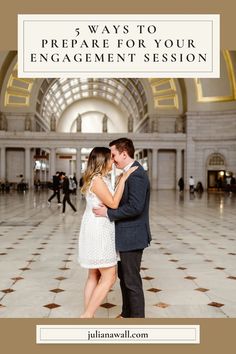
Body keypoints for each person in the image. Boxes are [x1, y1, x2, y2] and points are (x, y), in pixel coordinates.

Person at [93, 138, 152, 318]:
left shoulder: (137, 175)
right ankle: (127, 314)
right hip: (123, 236)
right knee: (124, 278)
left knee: (132, 280)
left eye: (114, 155)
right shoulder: (126, 173)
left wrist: (108, 214)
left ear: (124, 154)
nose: (112, 159)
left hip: (132, 236)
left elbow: (135, 207)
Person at [78, 147, 137, 318]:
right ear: (103, 161)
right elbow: (113, 204)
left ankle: (88, 316)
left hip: (93, 226)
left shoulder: (97, 179)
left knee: (93, 274)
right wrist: (124, 179)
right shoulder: (97, 180)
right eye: (110, 158)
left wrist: (117, 183)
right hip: (99, 229)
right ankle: (87, 315)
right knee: (110, 276)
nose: (113, 161)